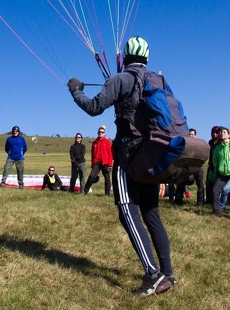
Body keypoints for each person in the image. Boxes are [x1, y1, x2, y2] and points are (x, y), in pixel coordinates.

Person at [67, 36, 175, 297]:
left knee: (127, 210)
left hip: (129, 156)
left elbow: (94, 107)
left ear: (125, 57)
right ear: (147, 57)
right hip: (152, 154)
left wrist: (75, 90)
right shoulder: (158, 79)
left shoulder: (120, 80)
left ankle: (153, 274)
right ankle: (168, 272)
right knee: (151, 213)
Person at [172, 128, 205, 206]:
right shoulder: (185, 145)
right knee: (181, 183)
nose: (191, 136)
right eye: (190, 134)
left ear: (195, 135)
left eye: (192, 134)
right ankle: (178, 201)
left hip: (197, 167)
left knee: (200, 185)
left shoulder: (199, 145)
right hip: (186, 167)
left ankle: (200, 203)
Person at [81, 125, 113, 196]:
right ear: (97, 133)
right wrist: (93, 163)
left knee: (107, 179)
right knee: (92, 176)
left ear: (105, 134)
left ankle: (107, 194)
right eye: (99, 132)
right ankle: (85, 191)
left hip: (105, 162)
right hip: (97, 162)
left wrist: (110, 165)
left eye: (102, 132)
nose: (101, 133)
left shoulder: (107, 142)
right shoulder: (94, 142)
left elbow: (110, 154)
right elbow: (92, 154)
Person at [204, 125, 221, 207]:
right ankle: (208, 201)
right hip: (211, 166)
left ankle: (219, 202)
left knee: (218, 186)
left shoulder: (221, 142)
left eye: (217, 133)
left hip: (219, 167)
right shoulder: (210, 142)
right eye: (213, 133)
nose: (215, 134)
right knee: (208, 184)